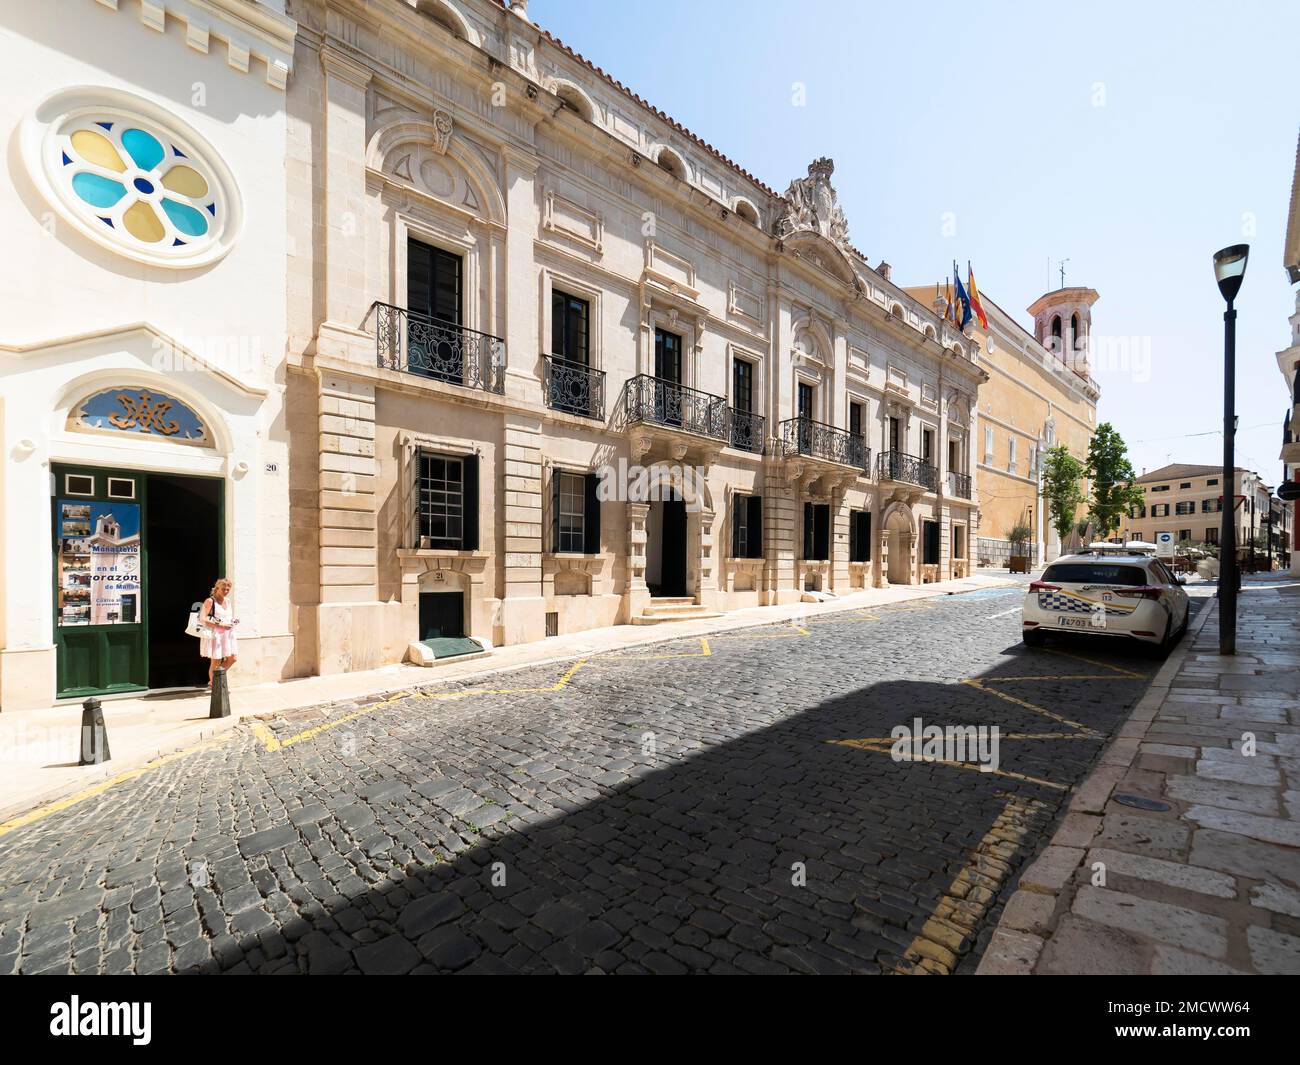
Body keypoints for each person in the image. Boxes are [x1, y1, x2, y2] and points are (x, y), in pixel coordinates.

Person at [200, 578, 238, 689]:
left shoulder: (228, 601)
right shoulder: (210, 601)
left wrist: (232, 621)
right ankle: (214, 685)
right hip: (216, 635)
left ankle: (214, 681)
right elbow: (202, 619)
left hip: (228, 634)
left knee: (233, 658)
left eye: (228, 589)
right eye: (223, 589)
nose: (226, 591)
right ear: (217, 588)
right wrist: (221, 625)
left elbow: (227, 616)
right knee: (216, 661)